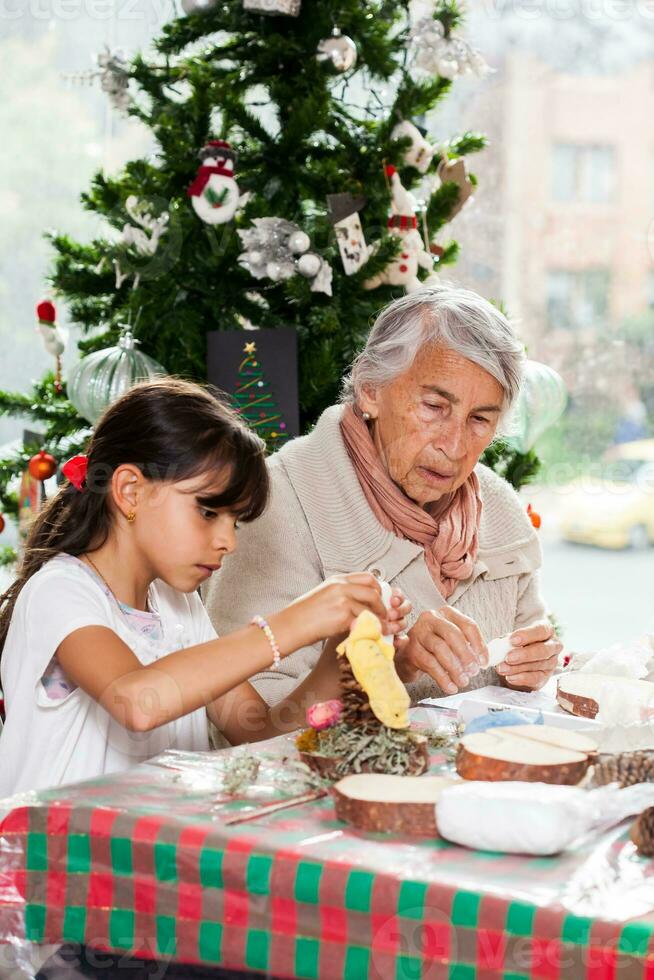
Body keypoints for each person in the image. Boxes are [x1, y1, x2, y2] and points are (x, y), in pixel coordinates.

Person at [0, 379, 408, 796]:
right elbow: (137, 702)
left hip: (147, 850)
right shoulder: (59, 592)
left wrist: (339, 655)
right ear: (129, 491)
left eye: (235, 521)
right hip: (47, 853)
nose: (227, 541)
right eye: (208, 511)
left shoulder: (180, 607)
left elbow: (261, 732)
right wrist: (293, 624)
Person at [205, 284, 562, 708]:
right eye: (434, 406)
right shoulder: (278, 501)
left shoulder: (499, 507)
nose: (454, 445)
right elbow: (247, 721)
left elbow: (527, 664)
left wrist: (531, 671)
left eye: (480, 419)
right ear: (371, 390)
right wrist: (391, 665)